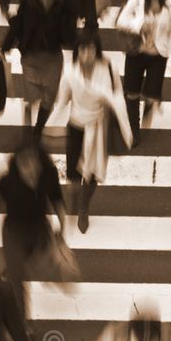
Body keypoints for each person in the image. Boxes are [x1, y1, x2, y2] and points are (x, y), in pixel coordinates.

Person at [0, 143, 67, 324]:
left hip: (39, 229)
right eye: (25, 165)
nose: (30, 170)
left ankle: (15, 269)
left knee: (40, 265)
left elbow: (56, 198)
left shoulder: (48, 175)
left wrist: (62, 225)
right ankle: (23, 322)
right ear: (18, 166)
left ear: (40, 162)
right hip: (14, 231)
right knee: (18, 280)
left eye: (33, 163)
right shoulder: (9, 181)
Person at [58, 28, 132, 233]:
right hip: (75, 125)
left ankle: (83, 207)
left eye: (90, 49)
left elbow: (117, 98)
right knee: (72, 175)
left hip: (99, 126)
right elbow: (62, 99)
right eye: (82, 50)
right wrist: (48, 127)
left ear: (96, 50)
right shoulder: (70, 70)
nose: (87, 55)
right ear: (77, 51)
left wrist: (126, 131)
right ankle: (72, 198)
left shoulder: (108, 67)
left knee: (93, 173)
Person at [0, 0, 74, 138]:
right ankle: (27, 130)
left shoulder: (63, 8)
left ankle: (38, 130)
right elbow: (18, 25)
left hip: (52, 59)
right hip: (31, 57)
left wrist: (67, 13)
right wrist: (5, 46)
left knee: (48, 99)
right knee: (30, 96)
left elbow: (69, 37)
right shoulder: (28, 3)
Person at [116, 0, 171, 147]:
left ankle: (150, 103)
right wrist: (138, 25)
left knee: (151, 95)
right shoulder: (137, 0)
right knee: (131, 93)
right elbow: (121, 21)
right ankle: (133, 130)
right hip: (136, 52)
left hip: (157, 55)